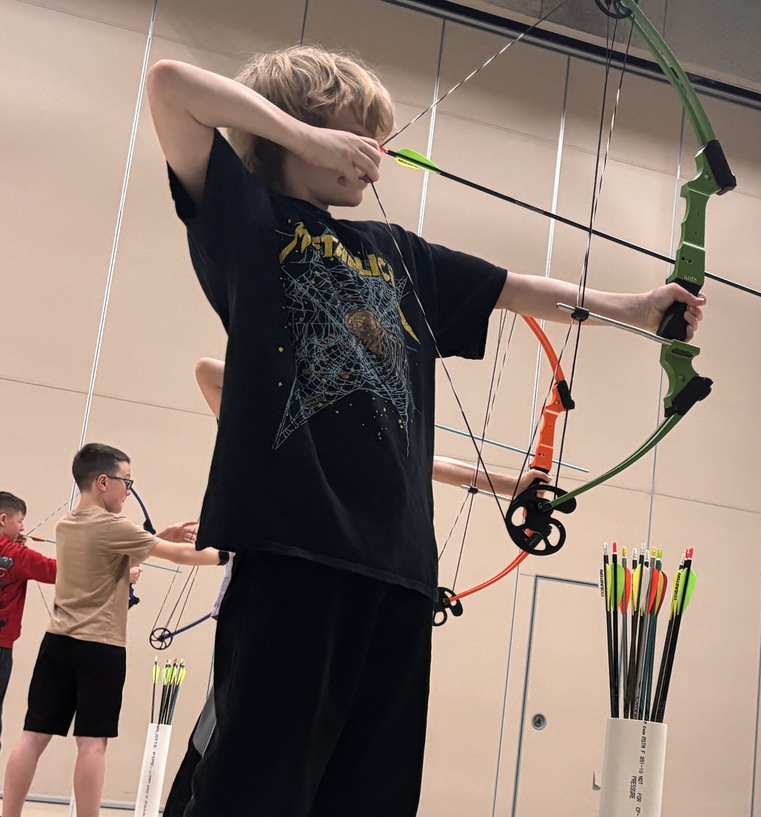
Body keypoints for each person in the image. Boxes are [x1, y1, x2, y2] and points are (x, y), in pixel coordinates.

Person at [146, 45, 704, 817]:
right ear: (300, 127)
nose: (375, 150)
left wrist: (637, 310)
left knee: (369, 795)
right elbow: (170, 86)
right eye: (359, 132)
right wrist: (309, 142)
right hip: (295, 554)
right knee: (256, 787)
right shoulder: (246, 222)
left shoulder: (395, 253)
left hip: (401, 571)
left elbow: (513, 288)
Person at [162, 357, 546, 817]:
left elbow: (429, 462)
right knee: (234, 747)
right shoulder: (276, 425)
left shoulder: (362, 446)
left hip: (337, 612)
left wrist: (513, 484)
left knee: (328, 756)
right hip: (268, 613)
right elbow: (208, 370)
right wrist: (307, 382)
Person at [0, 444, 222, 817]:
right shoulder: (115, 526)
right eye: (126, 481)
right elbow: (180, 555)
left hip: (56, 644)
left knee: (33, 735)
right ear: (103, 481)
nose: (128, 490)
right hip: (99, 649)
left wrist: (160, 534)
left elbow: (113, 555)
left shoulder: (67, 524)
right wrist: (230, 554)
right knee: (92, 744)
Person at [0, 492, 58, 751]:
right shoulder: (16, 555)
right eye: (20, 521)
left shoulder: (15, 553)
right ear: (3, 519)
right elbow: (60, 571)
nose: (23, 527)